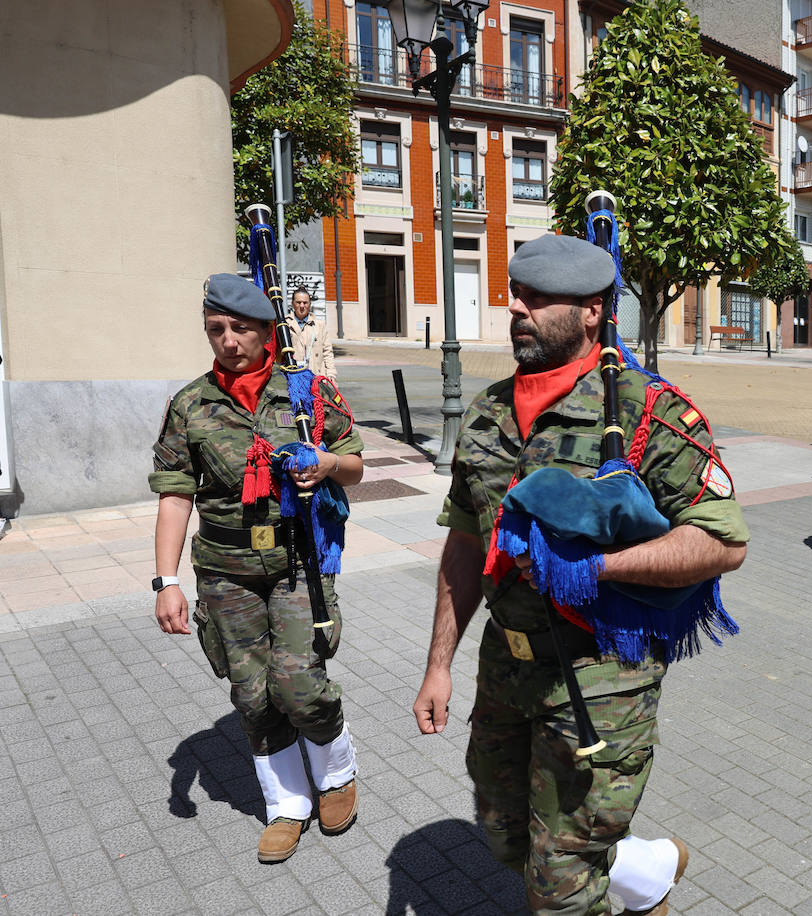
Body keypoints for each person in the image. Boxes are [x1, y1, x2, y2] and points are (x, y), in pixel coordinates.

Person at [412, 234, 749, 915]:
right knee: (508, 838)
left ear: (592, 310)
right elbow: (464, 542)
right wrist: (438, 664)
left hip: (600, 677)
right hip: (505, 668)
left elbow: (721, 542)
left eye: (537, 299)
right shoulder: (486, 414)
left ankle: (592, 868)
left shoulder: (651, 413)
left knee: (558, 883)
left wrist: (594, 567)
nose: (516, 309)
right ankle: (649, 871)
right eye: (517, 295)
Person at [150, 273, 366, 863]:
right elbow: (174, 493)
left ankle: (337, 769)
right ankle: (286, 805)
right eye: (215, 329)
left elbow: (355, 465)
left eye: (239, 328)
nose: (227, 340)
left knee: (299, 683)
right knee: (251, 694)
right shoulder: (190, 403)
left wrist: (324, 463)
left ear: (267, 330)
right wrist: (167, 580)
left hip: (296, 562)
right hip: (224, 568)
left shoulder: (307, 393)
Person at [286, 287, 336, 381]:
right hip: (293, 378)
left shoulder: (319, 325)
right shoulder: (285, 324)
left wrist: (331, 374)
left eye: (305, 303)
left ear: (310, 304)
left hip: (316, 378)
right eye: (298, 302)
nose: (302, 306)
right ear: (292, 304)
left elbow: (327, 352)